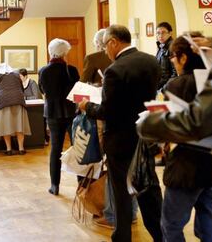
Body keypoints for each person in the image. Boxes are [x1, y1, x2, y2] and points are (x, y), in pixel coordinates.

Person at [137, 0, 212, 241]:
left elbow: (197, 121)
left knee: (172, 224)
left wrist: (148, 124)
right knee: (206, 223)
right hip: (211, 169)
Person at [79, 25, 162, 242]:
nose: (105, 50)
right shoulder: (150, 61)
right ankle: (160, 234)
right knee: (147, 186)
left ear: (114, 42)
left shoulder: (115, 70)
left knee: (121, 191)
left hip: (120, 139)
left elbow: (107, 111)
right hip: (144, 135)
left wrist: (86, 106)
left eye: (105, 45)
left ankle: (122, 235)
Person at [160, 35, 212, 241]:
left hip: (185, 166)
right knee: (209, 223)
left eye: (173, 56)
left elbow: (169, 127)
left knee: (171, 224)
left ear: (183, 58)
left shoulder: (177, 85)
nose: (172, 61)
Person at [81, 29, 138, 229]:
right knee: (133, 172)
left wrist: (86, 106)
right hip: (137, 125)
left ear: (110, 43)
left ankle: (113, 214)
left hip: (109, 121)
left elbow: (84, 87)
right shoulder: (143, 60)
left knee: (114, 172)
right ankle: (131, 212)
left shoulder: (100, 61)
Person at [38, 38, 79, 195]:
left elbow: (43, 91)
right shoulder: (72, 70)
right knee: (78, 148)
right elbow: (77, 92)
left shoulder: (43, 71)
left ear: (51, 51)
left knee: (56, 149)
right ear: (65, 53)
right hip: (71, 112)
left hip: (53, 113)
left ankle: (54, 185)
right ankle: (81, 183)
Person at [0, 63, 31, 155]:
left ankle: (9, 149)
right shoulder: (16, 75)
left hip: (3, 102)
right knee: (19, 126)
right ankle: (21, 148)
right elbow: (21, 89)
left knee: (5, 126)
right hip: (18, 101)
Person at [156, 21, 177, 89]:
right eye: (158, 33)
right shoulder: (161, 47)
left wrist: (164, 89)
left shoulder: (173, 47)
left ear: (170, 33)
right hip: (160, 85)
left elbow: (175, 73)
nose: (160, 36)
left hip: (166, 88)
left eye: (163, 32)